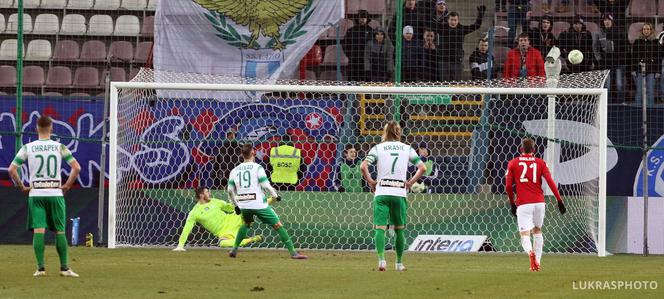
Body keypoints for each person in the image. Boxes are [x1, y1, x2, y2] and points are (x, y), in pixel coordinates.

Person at [8, 115, 81, 277]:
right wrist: (67, 185)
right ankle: (64, 269)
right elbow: (76, 168)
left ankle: (40, 269)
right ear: (51, 128)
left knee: (39, 231)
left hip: (36, 193)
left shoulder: (28, 147)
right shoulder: (59, 146)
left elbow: (11, 170)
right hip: (55, 192)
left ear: (36, 129)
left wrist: (22, 187)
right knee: (60, 231)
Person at [361, 121, 426, 272]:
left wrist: (371, 181)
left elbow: (363, 166)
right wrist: (410, 182)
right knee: (400, 229)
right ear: (399, 132)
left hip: (382, 190)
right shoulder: (406, 148)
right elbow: (422, 168)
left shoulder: (378, 148)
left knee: (380, 228)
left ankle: (382, 260)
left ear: (385, 132)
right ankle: (399, 263)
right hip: (399, 192)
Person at [228, 144, 307, 259]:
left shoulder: (234, 170)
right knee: (277, 225)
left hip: (243, 204)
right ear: (253, 153)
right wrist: (275, 195)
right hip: (258, 203)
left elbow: (230, 190)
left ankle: (234, 250)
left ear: (242, 154)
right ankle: (293, 253)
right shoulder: (257, 168)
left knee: (246, 224)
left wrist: (236, 205)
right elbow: (265, 185)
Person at [505, 138, 566, 271]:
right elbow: (550, 181)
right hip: (539, 202)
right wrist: (559, 200)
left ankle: (530, 253)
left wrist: (512, 203)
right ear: (534, 150)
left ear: (521, 149)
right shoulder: (541, 163)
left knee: (524, 234)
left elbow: (508, 186)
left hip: (523, 204)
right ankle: (537, 263)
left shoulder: (513, 163)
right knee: (537, 230)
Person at [173, 187, 263, 251]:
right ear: (201, 195)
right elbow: (187, 229)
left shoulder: (215, 201)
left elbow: (230, 208)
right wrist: (180, 245)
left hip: (232, 219)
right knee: (222, 243)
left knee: (248, 207)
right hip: (224, 232)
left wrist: (237, 201)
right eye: (207, 192)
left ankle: (270, 199)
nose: (209, 193)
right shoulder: (194, 213)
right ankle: (252, 239)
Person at [438, 7, 486, 81]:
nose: (453, 22)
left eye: (455, 20)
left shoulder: (461, 29)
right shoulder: (442, 28)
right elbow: (432, 24)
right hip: (444, 61)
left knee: (455, 84)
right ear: (448, 20)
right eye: (451, 20)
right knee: (444, 84)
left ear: (458, 20)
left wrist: (480, 15)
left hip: (456, 61)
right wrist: (441, 18)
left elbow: (476, 26)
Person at [592, 13, 627, 103]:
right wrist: (599, 59)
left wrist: (621, 59)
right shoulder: (599, 32)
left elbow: (624, 48)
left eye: (608, 20)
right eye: (605, 20)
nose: (606, 22)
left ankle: (621, 102)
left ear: (612, 21)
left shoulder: (619, 32)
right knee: (607, 86)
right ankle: (606, 104)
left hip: (618, 62)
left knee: (619, 84)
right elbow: (595, 47)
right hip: (605, 63)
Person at [631, 22, 660, 106]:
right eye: (644, 29)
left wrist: (658, 71)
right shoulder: (637, 42)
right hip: (639, 70)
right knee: (639, 91)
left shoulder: (655, 42)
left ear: (651, 30)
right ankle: (637, 110)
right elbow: (633, 57)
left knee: (650, 91)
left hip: (651, 70)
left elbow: (658, 58)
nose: (646, 31)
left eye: (648, 29)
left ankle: (651, 111)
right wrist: (633, 69)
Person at [343, 10, 374, 82]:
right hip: (354, 60)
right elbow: (345, 44)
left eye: (364, 18)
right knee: (353, 79)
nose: (362, 20)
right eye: (360, 18)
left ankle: (366, 93)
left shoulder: (371, 31)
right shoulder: (351, 30)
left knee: (366, 80)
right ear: (357, 19)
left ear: (367, 19)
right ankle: (352, 93)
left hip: (367, 61)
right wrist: (350, 55)